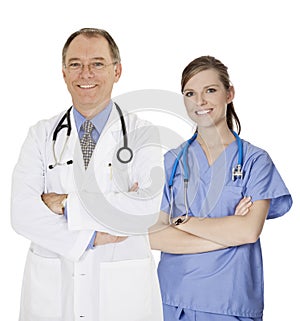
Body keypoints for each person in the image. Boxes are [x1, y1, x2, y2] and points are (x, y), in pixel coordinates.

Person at [11, 28, 163, 321]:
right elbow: (21, 213)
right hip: (53, 293)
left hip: (121, 295)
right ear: (64, 72)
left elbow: (144, 209)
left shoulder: (142, 134)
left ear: (117, 71)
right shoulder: (40, 135)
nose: (86, 74)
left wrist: (65, 204)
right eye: (75, 64)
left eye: (97, 63)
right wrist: (93, 234)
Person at [149, 55, 292, 321]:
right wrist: (226, 235)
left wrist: (181, 221)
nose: (199, 101)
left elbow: (248, 231)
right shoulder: (173, 160)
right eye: (190, 93)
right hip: (172, 300)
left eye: (210, 90)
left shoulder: (254, 161)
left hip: (230, 302)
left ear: (229, 94)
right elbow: (153, 237)